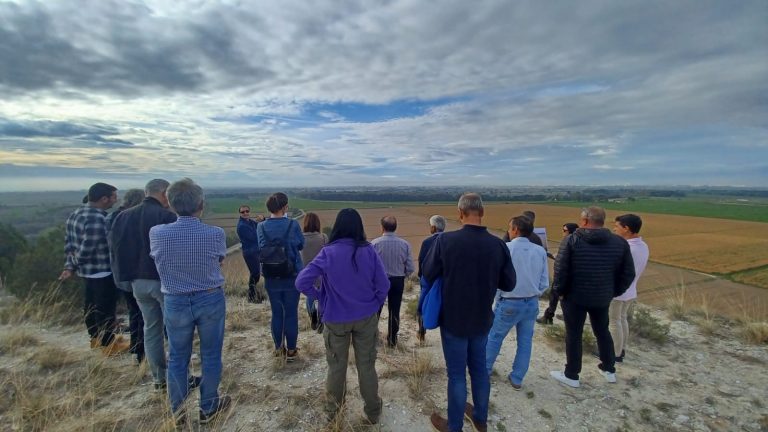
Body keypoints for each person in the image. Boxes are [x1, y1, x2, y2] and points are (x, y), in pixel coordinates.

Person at [423, 193, 516, 432]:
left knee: (456, 376)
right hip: (482, 319)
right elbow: (509, 284)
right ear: (482, 213)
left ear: (460, 213)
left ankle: (454, 426)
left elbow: (428, 272)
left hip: (453, 320)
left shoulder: (445, 241)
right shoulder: (498, 244)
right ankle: (480, 418)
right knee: (479, 371)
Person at [295, 208, 389, 424]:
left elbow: (301, 282)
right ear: (359, 227)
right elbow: (384, 285)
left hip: (335, 319)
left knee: (336, 367)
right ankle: (373, 412)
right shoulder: (369, 251)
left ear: (337, 226)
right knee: (367, 365)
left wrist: (319, 295)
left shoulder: (328, 252)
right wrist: (374, 304)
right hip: (366, 317)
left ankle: (333, 414)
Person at [149, 178, 230, 424]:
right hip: (209, 297)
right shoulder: (215, 233)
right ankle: (208, 408)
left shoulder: (157, 233)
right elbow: (219, 261)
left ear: (171, 204)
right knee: (211, 354)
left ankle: (177, 413)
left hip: (175, 300)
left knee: (177, 357)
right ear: (201, 204)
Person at [110, 179, 189, 392]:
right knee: (175, 329)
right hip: (164, 281)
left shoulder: (122, 217)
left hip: (137, 282)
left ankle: (159, 378)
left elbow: (116, 251)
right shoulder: (166, 217)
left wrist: (124, 280)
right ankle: (180, 377)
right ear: (164, 194)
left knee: (151, 328)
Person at [549, 207, 635, 388]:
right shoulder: (619, 243)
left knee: (574, 334)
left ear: (585, 221)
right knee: (603, 331)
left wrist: (560, 292)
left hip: (574, 297)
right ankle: (609, 369)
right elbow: (628, 274)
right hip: (602, 297)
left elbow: (560, 270)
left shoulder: (572, 240)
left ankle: (572, 374)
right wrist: (613, 291)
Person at [59, 182, 130, 355]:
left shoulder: (75, 214)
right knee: (105, 309)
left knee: (90, 306)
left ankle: (96, 339)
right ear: (104, 199)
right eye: (114, 196)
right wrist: (75, 263)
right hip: (102, 270)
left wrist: (70, 266)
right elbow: (87, 248)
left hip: (87, 272)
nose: (116, 199)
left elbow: (69, 245)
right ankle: (108, 345)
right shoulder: (98, 219)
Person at [485, 215, 549, 390]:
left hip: (509, 302)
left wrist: (497, 299)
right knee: (525, 341)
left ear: (515, 230)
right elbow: (544, 283)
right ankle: (517, 378)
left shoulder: (505, 249)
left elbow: (496, 279)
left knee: (495, 338)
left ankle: (485, 370)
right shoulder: (540, 251)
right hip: (532, 304)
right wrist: (533, 293)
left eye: (509, 228)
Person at [257, 192, 304, 361]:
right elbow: (301, 244)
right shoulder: (293, 225)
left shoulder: (261, 227)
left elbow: (260, 246)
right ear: (285, 207)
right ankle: (291, 350)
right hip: (292, 275)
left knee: (277, 313)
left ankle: (278, 349)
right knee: (291, 313)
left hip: (271, 276)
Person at [105, 188, 145, 363]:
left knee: (134, 311)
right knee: (142, 313)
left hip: (119, 273)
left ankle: (136, 348)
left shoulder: (112, 217)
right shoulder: (131, 219)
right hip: (134, 272)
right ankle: (141, 351)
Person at [608, 214, 649, 362]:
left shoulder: (626, 248)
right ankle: (621, 349)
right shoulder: (643, 246)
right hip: (631, 291)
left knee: (614, 322)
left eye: (617, 226)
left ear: (626, 229)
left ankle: (614, 354)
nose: (614, 228)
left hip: (617, 292)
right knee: (622, 319)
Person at [371, 215, 414, 347]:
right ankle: (392, 340)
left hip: (379, 281)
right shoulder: (405, 244)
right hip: (397, 280)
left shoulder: (374, 244)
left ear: (382, 227)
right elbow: (410, 267)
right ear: (395, 228)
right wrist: (403, 276)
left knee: (375, 309)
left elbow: (369, 266)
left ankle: (372, 338)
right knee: (394, 310)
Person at [537, 222, 579, 325]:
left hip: (563, 276)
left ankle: (548, 317)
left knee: (554, 296)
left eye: (564, 230)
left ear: (570, 232)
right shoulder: (579, 242)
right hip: (574, 277)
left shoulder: (567, 242)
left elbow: (562, 261)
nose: (562, 232)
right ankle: (566, 316)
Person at [416, 214, 446, 342]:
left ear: (433, 228)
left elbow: (421, 260)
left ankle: (422, 332)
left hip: (428, 280)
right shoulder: (449, 240)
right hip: (445, 280)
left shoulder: (427, 242)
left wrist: (421, 275)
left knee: (422, 306)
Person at [300, 212, 328, 331]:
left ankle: (313, 318)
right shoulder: (323, 237)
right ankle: (321, 320)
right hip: (321, 273)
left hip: (306, 272)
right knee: (322, 296)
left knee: (310, 296)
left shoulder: (300, 239)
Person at [237, 205, 266, 303]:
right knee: (255, 274)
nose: (245, 213)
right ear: (240, 214)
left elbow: (260, 225)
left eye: (247, 211)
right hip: (250, 253)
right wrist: (259, 223)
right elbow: (254, 236)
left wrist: (263, 219)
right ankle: (251, 297)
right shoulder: (242, 226)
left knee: (256, 274)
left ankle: (253, 295)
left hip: (255, 252)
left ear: (249, 211)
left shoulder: (249, 222)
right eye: (243, 212)